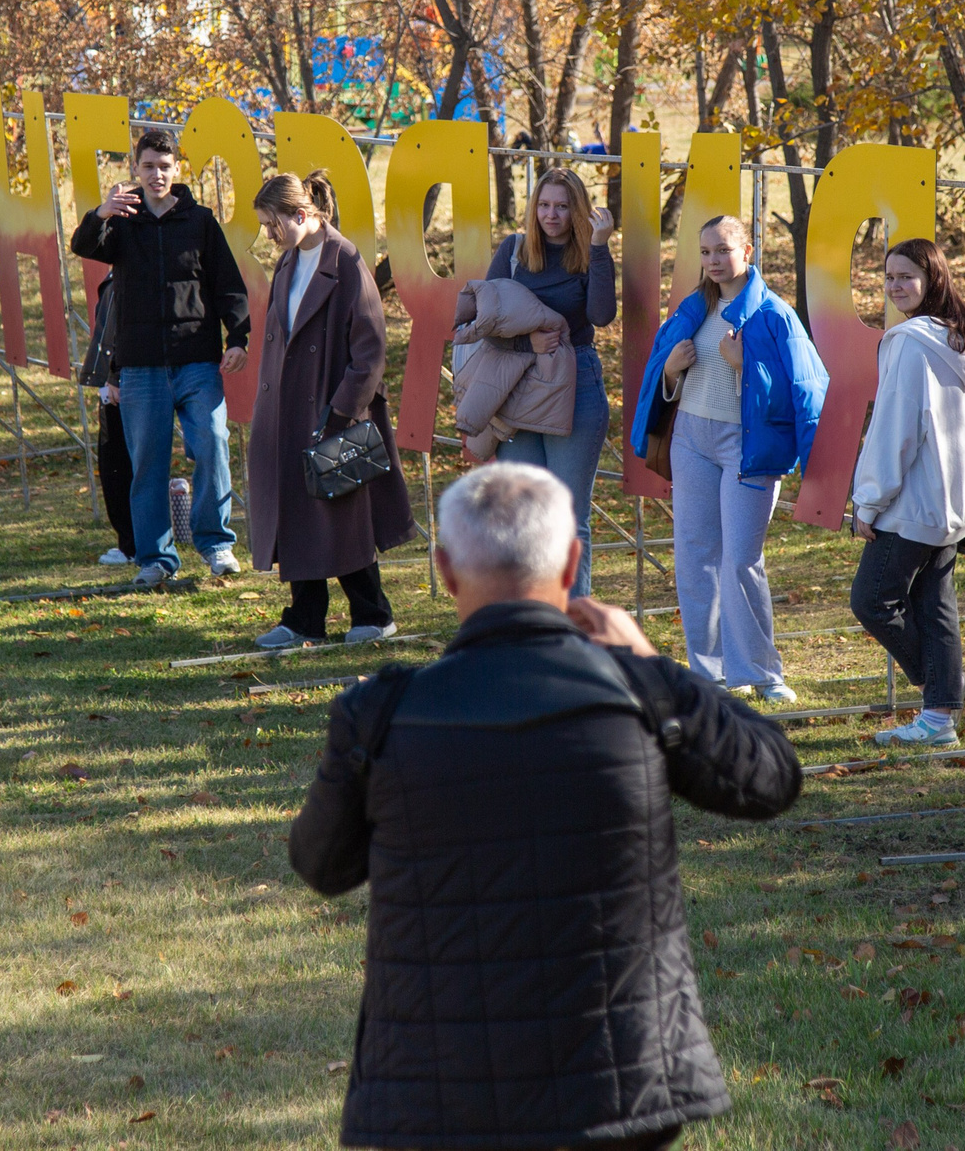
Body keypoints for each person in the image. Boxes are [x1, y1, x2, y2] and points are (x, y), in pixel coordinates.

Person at [289, 462, 803, 1151]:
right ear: (571, 563)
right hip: (616, 1088)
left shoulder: (379, 715)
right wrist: (660, 668)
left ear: (444, 570)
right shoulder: (641, 696)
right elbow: (772, 776)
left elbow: (321, 863)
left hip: (434, 1087)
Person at [630, 215, 829, 704]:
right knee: (696, 557)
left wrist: (747, 369)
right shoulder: (692, 309)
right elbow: (667, 382)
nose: (714, 261)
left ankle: (762, 673)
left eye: (723, 250)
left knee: (740, 559)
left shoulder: (775, 315)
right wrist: (670, 375)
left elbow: (807, 392)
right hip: (691, 441)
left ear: (748, 252)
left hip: (747, 447)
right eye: (705, 252)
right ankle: (709, 671)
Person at [69, 126, 251, 588]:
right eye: (147, 166)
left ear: (177, 170)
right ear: (135, 168)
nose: (156, 175)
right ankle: (156, 559)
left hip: (197, 360)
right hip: (140, 365)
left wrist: (238, 339)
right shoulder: (122, 222)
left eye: (164, 167)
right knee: (147, 462)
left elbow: (228, 284)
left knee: (212, 442)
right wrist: (101, 213)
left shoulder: (201, 221)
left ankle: (216, 544)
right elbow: (83, 246)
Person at [245, 169, 416, 647]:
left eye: (272, 224)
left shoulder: (345, 261)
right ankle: (304, 619)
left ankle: (374, 615)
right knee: (299, 516)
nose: (269, 234)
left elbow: (371, 351)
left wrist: (342, 411)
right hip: (288, 414)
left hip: (333, 413)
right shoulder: (288, 262)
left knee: (343, 519)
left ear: (301, 214)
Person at [849, 239, 965, 748]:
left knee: (873, 600)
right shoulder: (962, 338)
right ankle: (940, 718)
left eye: (906, 276)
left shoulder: (910, 342)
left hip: (911, 504)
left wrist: (868, 501)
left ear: (932, 279)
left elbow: (895, 431)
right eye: (888, 277)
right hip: (953, 501)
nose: (894, 285)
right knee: (934, 604)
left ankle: (945, 689)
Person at [453, 165, 616, 593]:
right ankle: (526, 621)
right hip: (518, 386)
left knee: (567, 516)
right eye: (544, 205)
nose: (552, 215)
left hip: (576, 383)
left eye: (563, 206)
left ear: (578, 211)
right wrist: (529, 347)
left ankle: (571, 627)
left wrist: (599, 247)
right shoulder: (513, 251)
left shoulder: (589, 256)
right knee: (520, 514)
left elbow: (601, 316)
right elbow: (484, 320)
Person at [79, 276, 137, 567]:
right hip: (114, 379)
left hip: (124, 380)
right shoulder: (117, 273)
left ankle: (133, 544)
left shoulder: (133, 271)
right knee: (114, 461)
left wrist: (114, 376)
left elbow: (124, 327)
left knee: (121, 463)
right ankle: (129, 543)